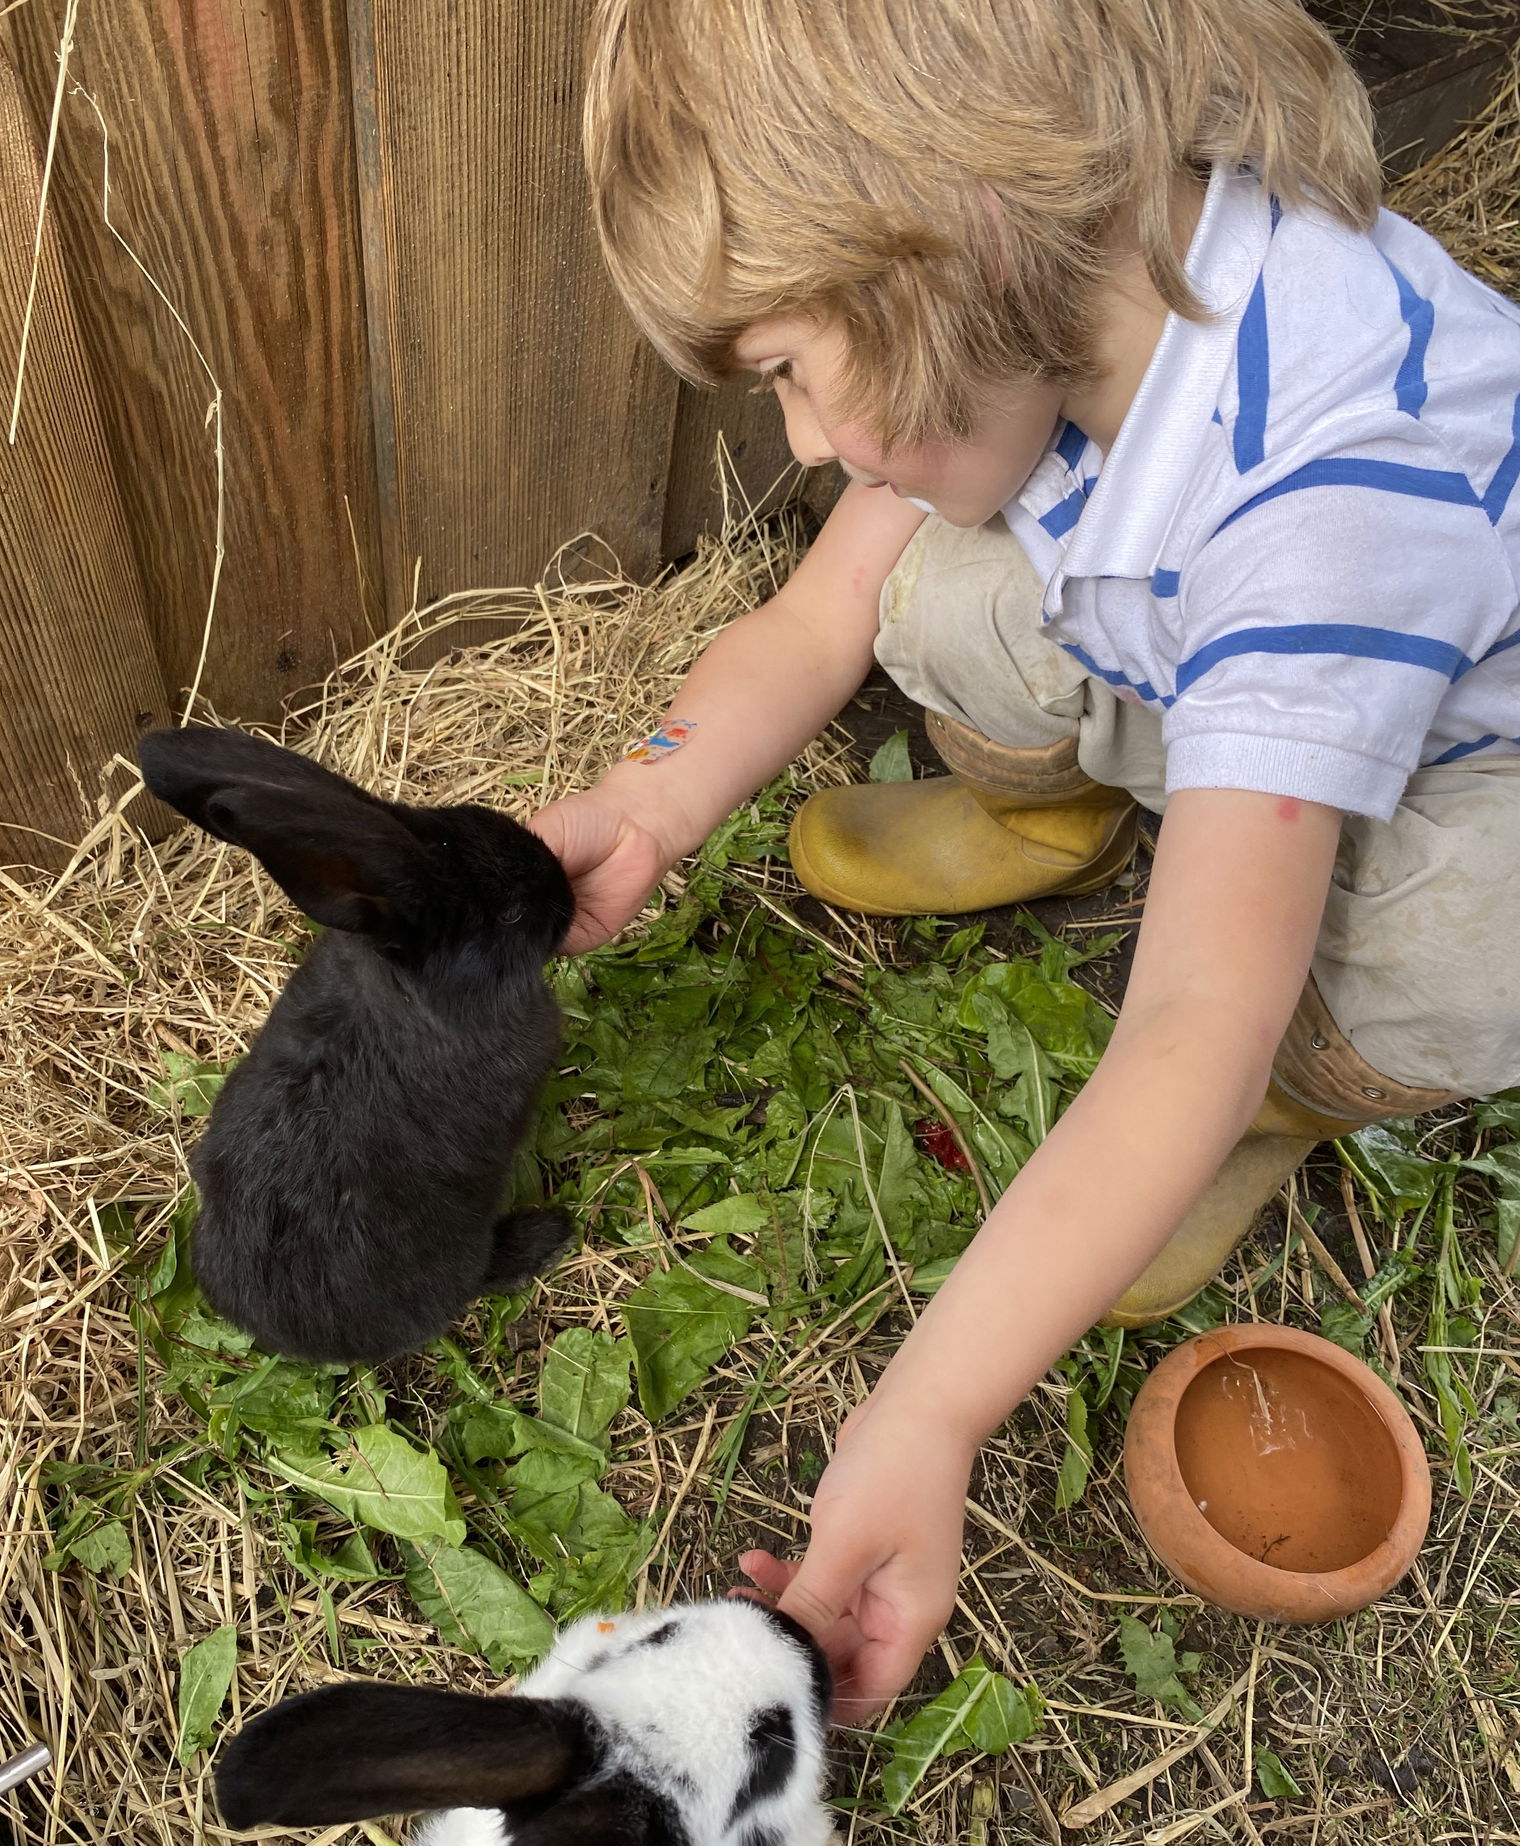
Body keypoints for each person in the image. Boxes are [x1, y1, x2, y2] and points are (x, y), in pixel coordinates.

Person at [529, 0, 1520, 1718]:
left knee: (1451, 946)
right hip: (1215, 661)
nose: (802, 441)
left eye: (790, 369)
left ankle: (1287, 1104)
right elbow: (821, 614)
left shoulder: (1331, 496)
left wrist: (925, 1411)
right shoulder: (1049, 288)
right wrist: (650, 800)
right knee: (931, 578)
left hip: (1450, 772)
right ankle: (1054, 816)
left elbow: (1192, 1015)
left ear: (953, 230)